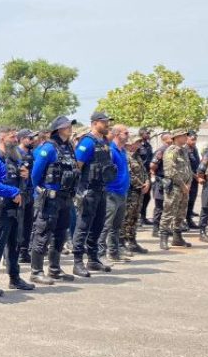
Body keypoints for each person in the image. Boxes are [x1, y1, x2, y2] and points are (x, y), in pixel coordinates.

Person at [0, 127, 34, 296]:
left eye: (15, 137)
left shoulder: (15, 158)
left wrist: (26, 176)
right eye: (12, 137)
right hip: (1, 208)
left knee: (15, 243)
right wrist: (13, 192)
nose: (15, 139)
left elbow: (21, 182)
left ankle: (14, 277)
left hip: (16, 209)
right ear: (2, 138)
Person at [28, 116, 78, 284]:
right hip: (50, 198)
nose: (70, 128)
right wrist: (40, 191)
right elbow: (35, 175)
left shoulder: (69, 147)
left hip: (65, 197)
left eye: (70, 125)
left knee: (61, 233)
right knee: (42, 233)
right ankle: (36, 271)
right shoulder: (48, 148)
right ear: (58, 129)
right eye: (67, 126)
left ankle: (55, 269)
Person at [71, 111, 116, 278]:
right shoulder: (87, 142)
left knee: (97, 226)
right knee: (83, 226)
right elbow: (78, 167)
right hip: (88, 190)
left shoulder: (103, 142)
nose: (107, 125)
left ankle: (92, 259)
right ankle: (77, 262)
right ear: (95, 123)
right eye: (105, 122)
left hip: (102, 189)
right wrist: (77, 191)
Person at [97, 124, 131, 261]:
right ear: (117, 134)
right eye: (126, 133)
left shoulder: (122, 151)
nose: (128, 135)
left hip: (122, 193)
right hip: (111, 192)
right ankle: (100, 254)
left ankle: (114, 252)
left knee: (116, 226)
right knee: (105, 225)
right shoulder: (110, 150)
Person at [158, 128, 193, 250]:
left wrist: (188, 184)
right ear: (177, 137)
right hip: (175, 187)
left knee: (181, 213)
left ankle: (177, 238)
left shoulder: (184, 150)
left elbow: (188, 168)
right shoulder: (171, 151)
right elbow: (170, 171)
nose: (186, 138)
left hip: (184, 188)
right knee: (169, 212)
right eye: (184, 136)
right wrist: (183, 185)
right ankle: (163, 238)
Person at [121, 135, 149, 254]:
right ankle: (124, 241)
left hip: (139, 191)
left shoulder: (137, 157)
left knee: (135, 216)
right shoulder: (125, 156)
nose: (139, 145)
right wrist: (141, 185)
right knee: (127, 217)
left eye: (139, 143)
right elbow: (129, 174)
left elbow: (144, 171)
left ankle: (132, 240)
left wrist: (147, 182)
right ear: (130, 143)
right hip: (131, 190)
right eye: (136, 142)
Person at [16, 129, 36, 263]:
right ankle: (14, 252)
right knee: (18, 224)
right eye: (29, 138)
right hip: (19, 193)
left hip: (30, 192)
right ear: (22, 138)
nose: (32, 140)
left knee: (28, 223)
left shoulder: (32, 154)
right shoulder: (16, 153)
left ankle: (24, 251)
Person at [148, 131, 172, 237]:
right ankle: (155, 228)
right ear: (165, 140)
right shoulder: (161, 150)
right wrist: (155, 177)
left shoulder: (172, 150)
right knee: (159, 206)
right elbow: (153, 165)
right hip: (161, 182)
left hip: (169, 182)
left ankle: (165, 228)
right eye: (170, 138)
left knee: (168, 206)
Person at [136, 128, 154, 225]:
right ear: (142, 134)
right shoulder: (138, 145)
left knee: (147, 197)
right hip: (139, 174)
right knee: (139, 197)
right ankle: (137, 218)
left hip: (147, 173)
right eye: (147, 133)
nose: (149, 134)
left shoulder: (148, 145)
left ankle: (143, 217)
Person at [185, 131, 200, 229]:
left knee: (192, 200)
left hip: (195, 180)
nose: (194, 141)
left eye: (195, 139)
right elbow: (186, 167)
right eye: (192, 139)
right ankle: (182, 221)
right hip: (187, 179)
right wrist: (196, 176)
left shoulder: (194, 149)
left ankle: (189, 219)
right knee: (185, 201)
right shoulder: (184, 150)